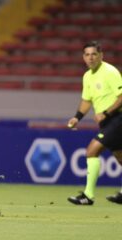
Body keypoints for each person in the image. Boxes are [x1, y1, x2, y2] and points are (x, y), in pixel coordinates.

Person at [67, 41, 122, 205]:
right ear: (83, 57)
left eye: (94, 54)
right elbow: (86, 100)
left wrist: (105, 113)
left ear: (101, 56)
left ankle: (88, 196)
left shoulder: (110, 72)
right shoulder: (87, 76)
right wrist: (77, 117)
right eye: (87, 54)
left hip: (117, 119)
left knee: (92, 151)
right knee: (120, 158)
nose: (90, 58)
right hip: (108, 122)